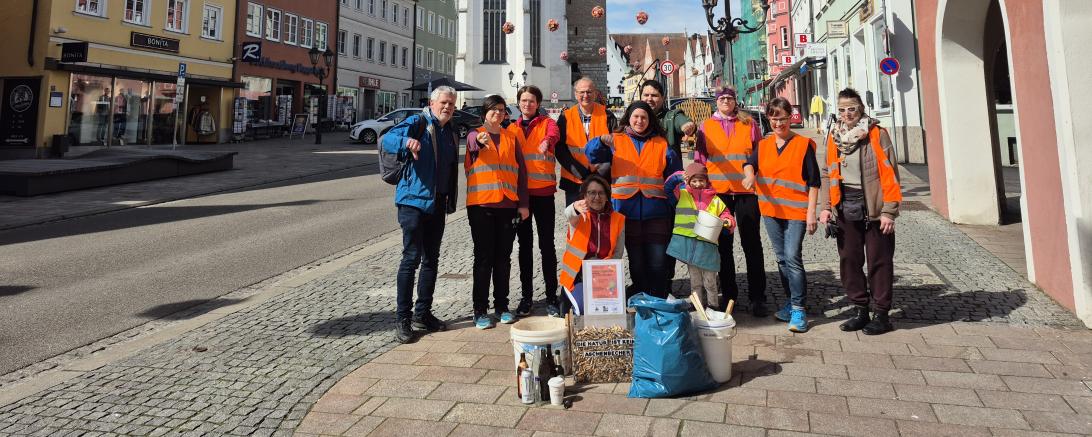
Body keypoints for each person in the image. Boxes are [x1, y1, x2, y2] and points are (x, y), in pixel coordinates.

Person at [819, 88, 903, 335]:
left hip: (875, 207)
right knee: (850, 261)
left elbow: (891, 174)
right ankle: (860, 309)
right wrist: (826, 208)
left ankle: (881, 314)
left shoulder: (877, 134)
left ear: (861, 109)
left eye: (852, 109)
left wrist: (889, 211)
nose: (847, 114)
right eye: (842, 109)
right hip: (845, 205)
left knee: (879, 261)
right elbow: (827, 173)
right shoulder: (833, 136)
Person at [381, 86, 460, 344]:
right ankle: (402, 318)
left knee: (431, 260)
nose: (447, 107)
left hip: (437, 202)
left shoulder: (450, 131)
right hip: (412, 202)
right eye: (443, 103)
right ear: (432, 102)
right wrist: (406, 141)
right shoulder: (418, 121)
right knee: (411, 258)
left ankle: (422, 313)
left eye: (451, 103)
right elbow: (386, 140)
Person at [586, 101, 682, 297]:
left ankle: (658, 295)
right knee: (636, 261)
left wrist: (677, 200)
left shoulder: (661, 143)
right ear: (629, 118)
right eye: (636, 116)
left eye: (644, 117)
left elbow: (675, 176)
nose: (640, 121)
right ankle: (640, 293)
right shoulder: (615, 140)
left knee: (657, 260)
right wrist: (600, 141)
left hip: (656, 213)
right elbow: (591, 155)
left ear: (650, 120)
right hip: (625, 212)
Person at [693, 86, 768, 315]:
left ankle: (758, 297)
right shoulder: (706, 127)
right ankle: (729, 295)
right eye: (722, 98)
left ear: (736, 101)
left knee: (752, 244)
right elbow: (700, 160)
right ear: (716, 102)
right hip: (718, 193)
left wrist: (753, 175)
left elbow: (759, 154)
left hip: (746, 192)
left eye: (730, 98)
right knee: (723, 247)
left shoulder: (749, 124)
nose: (726, 101)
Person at [754, 97, 821, 332]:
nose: (778, 123)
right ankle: (790, 303)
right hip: (771, 211)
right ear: (768, 119)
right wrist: (748, 172)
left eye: (782, 118)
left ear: (790, 117)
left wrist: (812, 212)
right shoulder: (762, 145)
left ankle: (799, 310)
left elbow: (814, 182)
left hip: (796, 211)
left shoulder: (803, 145)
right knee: (782, 258)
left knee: (792, 257)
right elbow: (750, 163)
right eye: (774, 118)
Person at [465, 95, 530, 329]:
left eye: (502, 110)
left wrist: (523, 204)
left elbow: (521, 173)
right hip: (482, 206)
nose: (498, 113)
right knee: (484, 259)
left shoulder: (511, 138)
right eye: (493, 110)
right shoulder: (475, 134)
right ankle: (479, 309)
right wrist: (479, 140)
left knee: (503, 259)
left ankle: (502, 306)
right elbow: (474, 143)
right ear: (485, 113)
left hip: (507, 205)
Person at [507, 85, 563, 317]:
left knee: (547, 246)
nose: (527, 104)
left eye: (531, 101)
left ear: (538, 104)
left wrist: (547, 142)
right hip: (521, 197)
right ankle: (527, 297)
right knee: (524, 247)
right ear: (519, 103)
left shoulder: (547, 123)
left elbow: (555, 134)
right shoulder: (511, 128)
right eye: (524, 100)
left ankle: (551, 296)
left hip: (543, 194)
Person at [665, 162, 735, 310]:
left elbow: (725, 213)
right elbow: (668, 187)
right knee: (695, 281)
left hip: (708, 246)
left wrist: (728, 221)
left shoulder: (715, 199)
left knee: (710, 280)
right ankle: (697, 306)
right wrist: (678, 177)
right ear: (688, 181)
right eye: (694, 180)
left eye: (701, 180)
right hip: (690, 246)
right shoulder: (682, 194)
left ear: (706, 180)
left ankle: (713, 306)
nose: (698, 184)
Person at [558, 174, 626, 315]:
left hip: (604, 277)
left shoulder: (618, 219)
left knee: (615, 312)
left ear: (607, 196)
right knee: (584, 309)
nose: (596, 197)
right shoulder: (579, 216)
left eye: (601, 193)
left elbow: (617, 254)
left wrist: (605, 280)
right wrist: (574, 207)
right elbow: (569, 214)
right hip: (577, 277)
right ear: (585, 196)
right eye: (591, 193)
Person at [556, 77, 617, 205]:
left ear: (595, 93)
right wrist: (581, 173)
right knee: (577, 221)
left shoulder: (608, 116)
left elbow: (616, 148)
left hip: (602, 179)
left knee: (601, 221)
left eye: (589, 92)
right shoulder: (565, 117)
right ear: (575, 94)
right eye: (582, 92)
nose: (585, 95)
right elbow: (560, 149)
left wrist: (600, 172)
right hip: (574, 180)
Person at [639, 79, 696, 158]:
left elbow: (681, 120)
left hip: (669, 168)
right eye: (646, 95)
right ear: (640, 97)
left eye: (654, 95)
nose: (649, 99)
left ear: (663, 98)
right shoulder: (635, 119)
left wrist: (687, 125)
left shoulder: (671, 117)